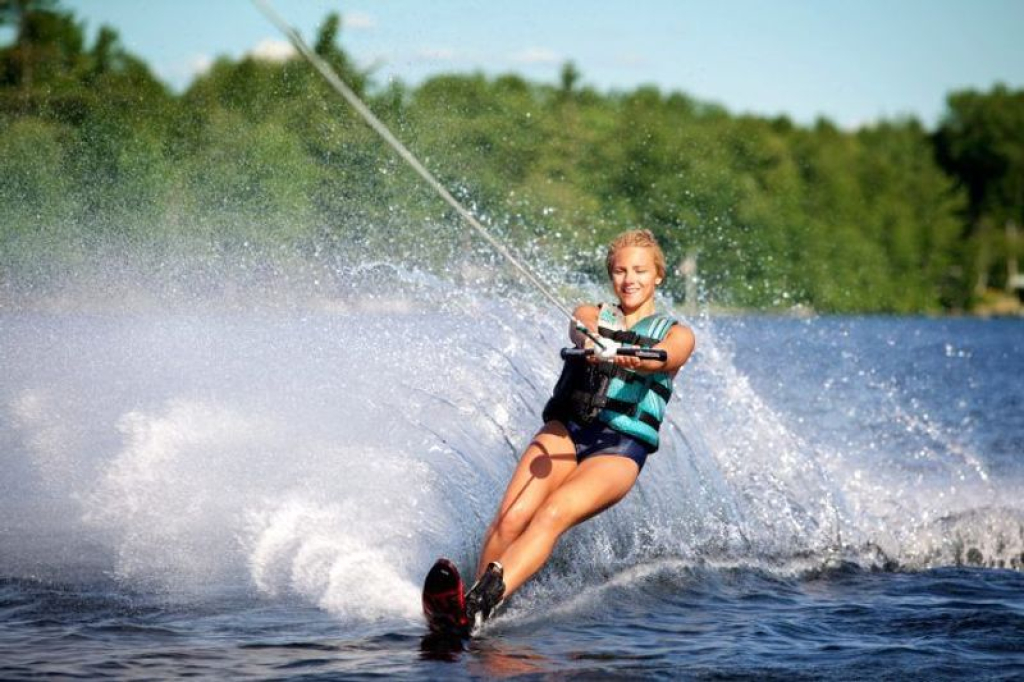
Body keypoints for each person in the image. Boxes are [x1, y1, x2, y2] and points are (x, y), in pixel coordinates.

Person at [463, 229, 696, 627]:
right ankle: (475, 603)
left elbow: (667, 356)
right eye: (620, 270)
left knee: (552, 512)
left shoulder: (677, 334)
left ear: (658, 275)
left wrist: (631, 357)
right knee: (512, 517)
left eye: (640, 270)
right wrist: (594, 341)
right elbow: (580, 326)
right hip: (567, 430)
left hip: (618, 448)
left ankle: (481, 604)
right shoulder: (591, 314)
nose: (630, 279)